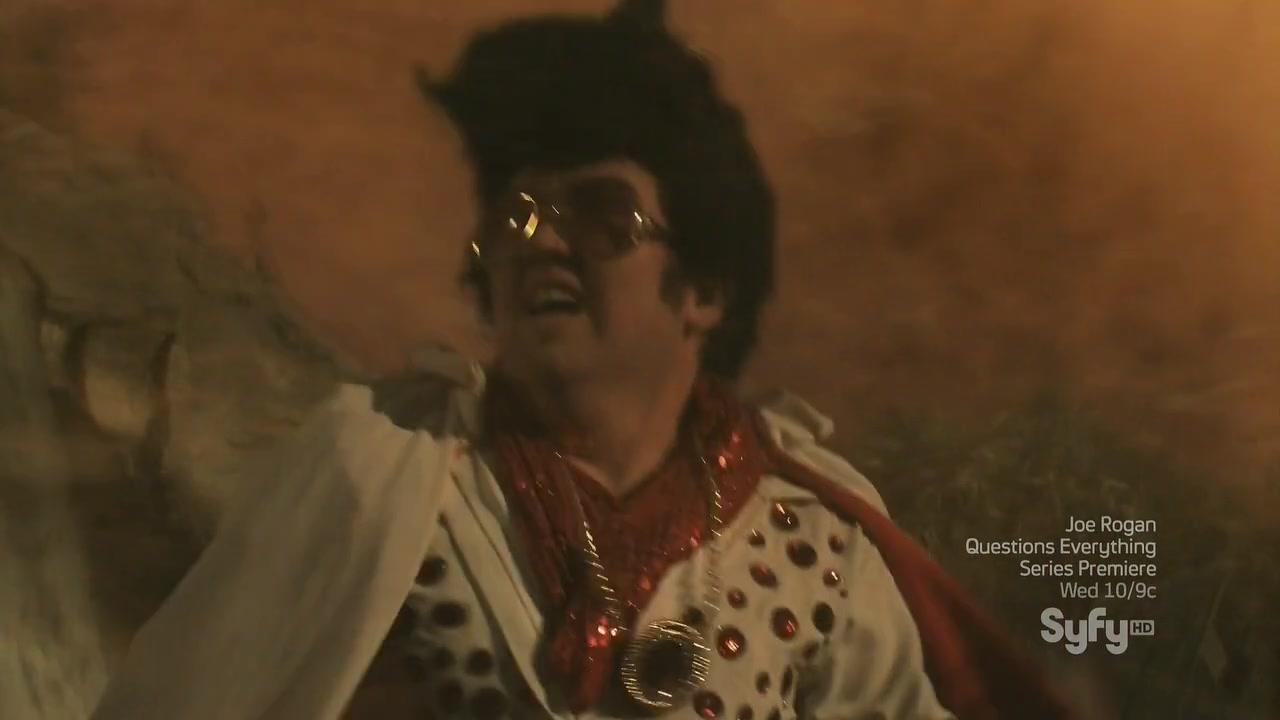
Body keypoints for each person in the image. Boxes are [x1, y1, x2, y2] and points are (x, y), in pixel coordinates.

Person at [91, 2, 1073, 718]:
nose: (543, 243)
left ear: (702, 290)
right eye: (518, 217)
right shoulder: (381, 473)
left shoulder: (818, 546)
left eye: (602, 216)